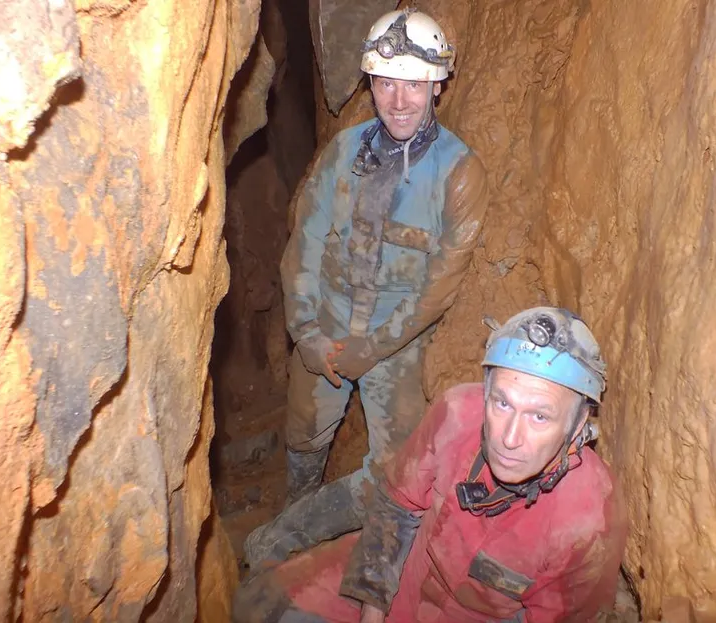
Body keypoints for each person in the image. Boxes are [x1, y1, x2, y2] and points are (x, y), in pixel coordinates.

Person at [243, 8, 488, 567]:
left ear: (438, 86)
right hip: (324, 323)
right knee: (305, 433)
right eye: (384, 82)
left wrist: (373, 347)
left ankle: (284, 539)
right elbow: (303, 239)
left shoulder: (460, 173)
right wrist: (305, 331)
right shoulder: (342, 152)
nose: (398, 100)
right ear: (370, 84)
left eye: (413, 84)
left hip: (396, 344)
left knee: (395, 473)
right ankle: (295, 504)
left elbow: (440, 286)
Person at [235, 307, 629, 623]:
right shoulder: (456, 413)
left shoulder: (589, 520)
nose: (510, 437)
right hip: (406, 574)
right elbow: (397, 504)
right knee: (259, 606)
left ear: (578, 424)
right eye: (502, 403)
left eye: (539, 417)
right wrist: (373, 603)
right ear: (486, 392)